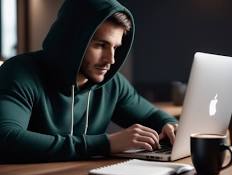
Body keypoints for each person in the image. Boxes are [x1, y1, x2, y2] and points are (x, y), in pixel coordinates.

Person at [0, 0, 178, 163]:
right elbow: (6, 138)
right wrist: (105, 143)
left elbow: (151, 116)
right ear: (71, 40)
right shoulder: (20, 72)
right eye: (101, 45)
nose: (111, 59)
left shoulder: (113, 84)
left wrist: (171, 125)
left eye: (115, 47)